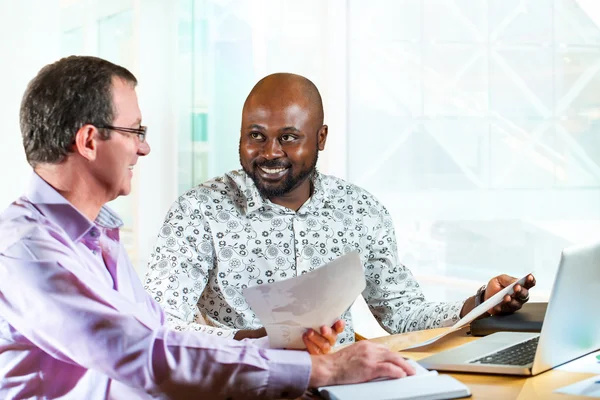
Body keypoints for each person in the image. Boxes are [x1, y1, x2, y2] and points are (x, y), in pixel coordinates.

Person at [0, 57, 416, 399]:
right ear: (90, 142)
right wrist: (317, 369)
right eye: (135, 132)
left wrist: (274, 345)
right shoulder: (28, 251)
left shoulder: (97, 238)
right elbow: (143, 354)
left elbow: (159, 335)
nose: (144, 147)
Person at [145, 72, 536, 346]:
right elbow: (155, 324)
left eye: (289, 137)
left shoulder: (360, 210)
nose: (269, 153)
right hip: (244, 383)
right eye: (256, 136)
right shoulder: (198, 211)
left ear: (321, 138)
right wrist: (247, 341)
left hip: (343, 382)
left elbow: (402, 314)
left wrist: (481, 301)